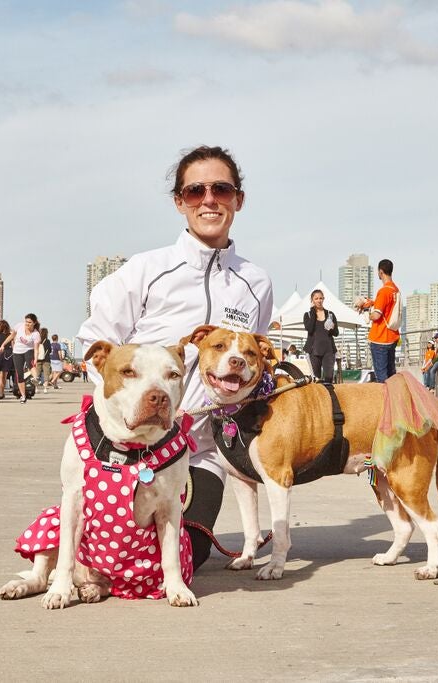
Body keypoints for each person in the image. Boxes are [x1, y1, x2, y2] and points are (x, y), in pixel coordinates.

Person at [77, 145, 273, 572]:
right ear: (179, 202)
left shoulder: (255, 283)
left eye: (221, 189)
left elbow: (253, 368)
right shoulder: (146, 270)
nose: (208, 199)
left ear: (238, 199)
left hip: (202, 452)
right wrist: (119, 422)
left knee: (186, 559)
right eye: (195, 190)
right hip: (134, 448)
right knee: (112, 557)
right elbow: (95, 342)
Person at [358, 258, 400, 382]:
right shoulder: (395, 290)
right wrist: (372, 302)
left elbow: (376, 315)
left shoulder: (383, 291)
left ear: (380, 272)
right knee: (391, 375)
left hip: (380, 339)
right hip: (392, 337)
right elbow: (387, 306)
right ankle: (394, 400)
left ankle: (385, 401)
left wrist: (366, 313)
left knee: (381, 378)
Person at [303, 288, 339, 381]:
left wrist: (333, 328)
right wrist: (313, 311)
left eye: (320, 298)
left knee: (329, 378)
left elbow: (336, 333)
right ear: (312, 300)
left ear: (323, 299)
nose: (319, 300)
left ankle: (329, 395)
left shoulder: (330, 314)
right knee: (316, 379)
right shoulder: (308, 315)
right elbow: (310, 329)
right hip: (314, 351)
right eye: (316, 298)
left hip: (329, 351)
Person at [7, 313, 40, 404]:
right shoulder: (19, 326)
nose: (27, 324)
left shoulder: (36, 334)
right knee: (19, 374)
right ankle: (23, 396)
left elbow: (36, 349)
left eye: (29, 322)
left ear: (34, 323)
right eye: (26, 322)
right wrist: (3, 344)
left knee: (31, 364)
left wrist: (36, 359)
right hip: (17, 352)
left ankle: (35, 378)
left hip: (28, 350)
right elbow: (11, 336)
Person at [0, 319, 15, 399]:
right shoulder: (9, 335)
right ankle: (2, 391)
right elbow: (13, 346)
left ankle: (1, 394)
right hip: (8, 355)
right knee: (5, 376)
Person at [35, 327, 52, 393]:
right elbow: (50, 350)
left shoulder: (37, 340)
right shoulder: (47, 341)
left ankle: (36, 388)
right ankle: (45, 389)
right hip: (46, 359)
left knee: (37, 374)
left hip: (38, 359)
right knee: (46, 374)